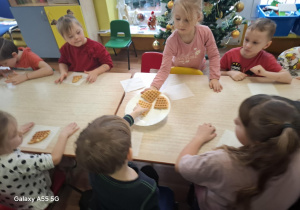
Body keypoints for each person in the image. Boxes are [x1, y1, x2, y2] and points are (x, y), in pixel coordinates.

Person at [175, 94, 300, 210]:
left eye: (240, 123)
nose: (235, 120)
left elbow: (181, 165)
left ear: (257, 142)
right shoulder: (293, 147)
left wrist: (199, 138)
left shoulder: (222, 162)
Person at [75, 105, 175, 210]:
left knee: (148, 171)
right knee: (149, 171)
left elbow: (114, 132)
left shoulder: (94, 165)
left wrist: (135, 113)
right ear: (130, 154)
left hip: (103, 203)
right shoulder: (148, 188)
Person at [0, 110, 79, 209]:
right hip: (35, 202)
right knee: (60, 161)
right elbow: (54, 159)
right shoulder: (17, 162)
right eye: (14, 134)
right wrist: (63, 135)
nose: (20, 133)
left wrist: (11, 134)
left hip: (11, 201)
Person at [144, 0, 222, 93]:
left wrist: (214, 78)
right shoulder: (171, 41)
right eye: (177, 19)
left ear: (198, 17)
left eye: (187, 20)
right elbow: (164, 69)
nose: (181, 24)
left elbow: (214, 56)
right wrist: (154, 87)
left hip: (198, 71)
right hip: (178, 73)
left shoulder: (205, 32)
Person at [221, 18, 292, 84]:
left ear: (266, 45)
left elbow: (288, 79)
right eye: (246, 40)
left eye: (255, 42)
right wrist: (229, 73)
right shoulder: (230, 54)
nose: (248, 45)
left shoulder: (267, 59)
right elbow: (215, 72)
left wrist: (265, 73)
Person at [55, 15, 113, 84]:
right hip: (75, 80)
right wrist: (63, 71)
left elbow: (108, 64)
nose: (76, 37)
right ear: (64, 38)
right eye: (70, 36)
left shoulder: (96, 47)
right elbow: (62, 62)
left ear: (82, 28)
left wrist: (96, 72)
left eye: (78, 32)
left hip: (93, 79)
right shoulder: (65, 48)